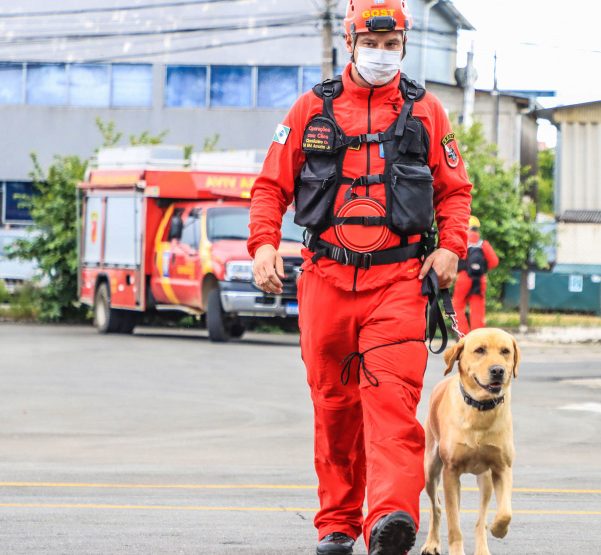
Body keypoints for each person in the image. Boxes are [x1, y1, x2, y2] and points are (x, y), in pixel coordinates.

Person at [246, 1, 472, 553]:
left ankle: (392, 518)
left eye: (391, 45)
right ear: (351, 43)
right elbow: (270, 187)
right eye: (372, 45)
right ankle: (339, 523)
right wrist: (263, 245)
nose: (381, 54)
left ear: (402, 47)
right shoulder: (308, 110)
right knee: (334, 405)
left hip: (397, 283)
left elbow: (455, 191)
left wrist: (451, 248)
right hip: (323, 279)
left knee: (392, 402)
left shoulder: (427, 113)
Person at [452, 216, 499, 335]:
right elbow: (494, 261)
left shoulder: (461, 242)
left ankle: (462, 335)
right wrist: (482, 269)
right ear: (477, 229)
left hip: (463, 277)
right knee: (477, 309)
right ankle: (478, 337)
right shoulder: (483, 244)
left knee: (457, 306)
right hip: (479, 279)